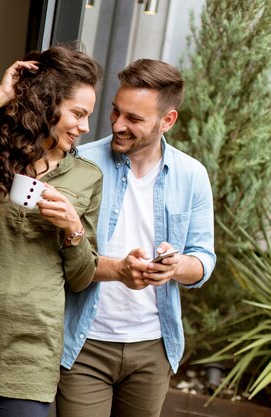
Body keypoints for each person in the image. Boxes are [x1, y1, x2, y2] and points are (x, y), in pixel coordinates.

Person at [0, 45, 104, 417]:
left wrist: (73, 228)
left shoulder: (87, 177)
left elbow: (82, 277)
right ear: (48, 103)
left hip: (30, 351)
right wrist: (3, 93)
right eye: (78, 113)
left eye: (88, 116)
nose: (85, 127)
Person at [56, 59, 216, 417]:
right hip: (85, 343)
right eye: (116, 111)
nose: (117, 125)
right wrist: (119, 269)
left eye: (133, 119)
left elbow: (203, 259)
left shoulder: (192, 175)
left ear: (167, 121)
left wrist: (175, 267)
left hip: (153, 348)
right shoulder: (80, 161)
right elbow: (57, 256)